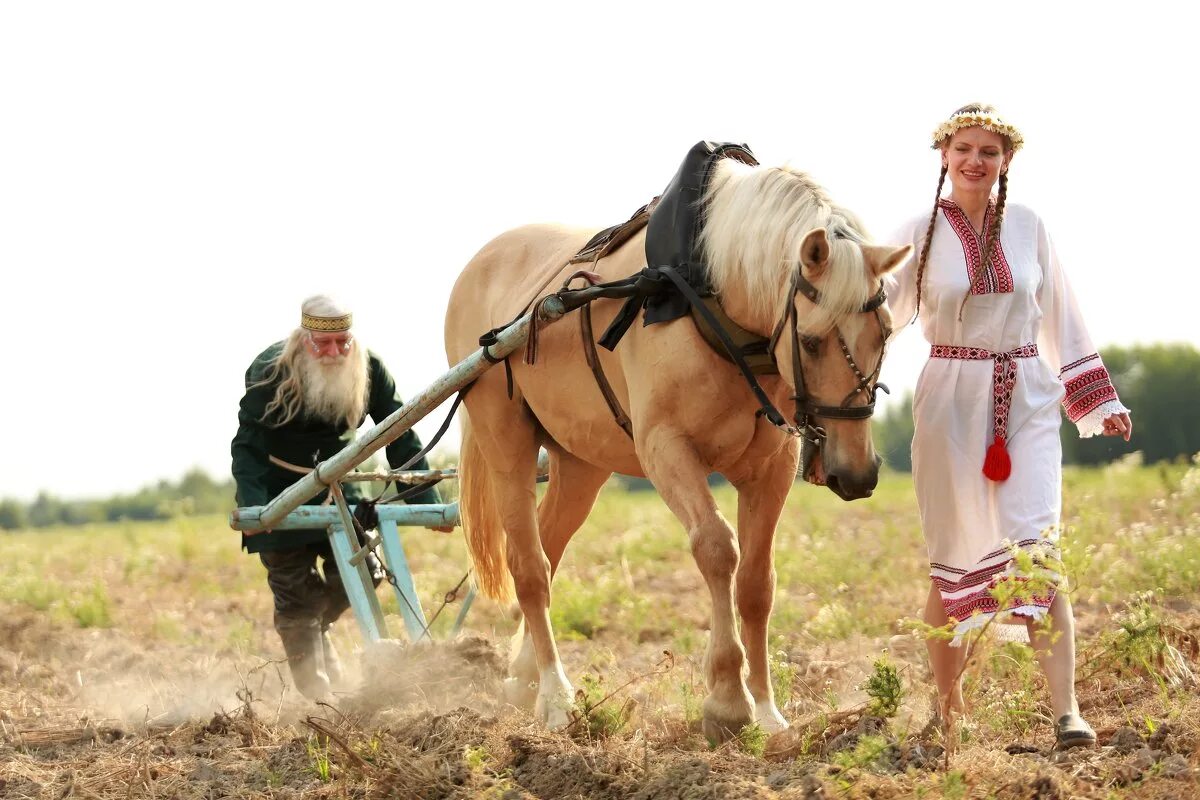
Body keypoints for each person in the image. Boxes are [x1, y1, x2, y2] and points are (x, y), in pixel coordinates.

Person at [885, 104, 1132, 749]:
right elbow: (878, 314)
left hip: (1027, 395)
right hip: (948, 402)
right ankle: (947, 712)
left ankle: (1067, 710)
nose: (975, 162)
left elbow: (1061, 315)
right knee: (955, 554)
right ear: (944, 154)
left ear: (1005, 162)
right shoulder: (919, 231)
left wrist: (1099, 402)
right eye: (964, 149)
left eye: (988, 152)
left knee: (1036, 553)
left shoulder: (1029, 227)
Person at [231, 294, 449, 699]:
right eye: (323, 344)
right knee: (295, 598)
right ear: (304, 339)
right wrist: (257, 508)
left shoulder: (369, 368)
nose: (334, 353)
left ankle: (316, 627)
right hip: (282, 493)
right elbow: (247, 445)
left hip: (342, 489)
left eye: (341, 343)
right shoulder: (268, 372)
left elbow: (398, 430)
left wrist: (424, 499)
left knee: (366, 574)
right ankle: (317, 699)